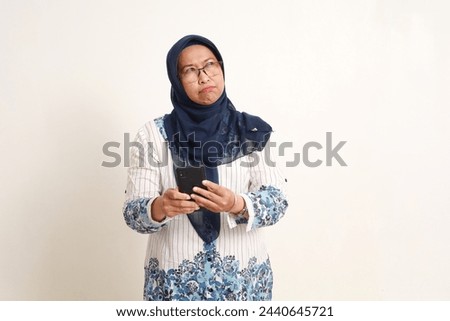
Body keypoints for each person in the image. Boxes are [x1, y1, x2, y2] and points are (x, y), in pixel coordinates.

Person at [123, 35, 288, 301]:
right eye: (190, 70)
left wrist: (237, 203)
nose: (204, 77)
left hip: (243, 285)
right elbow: (133, 213)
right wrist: (161, 207)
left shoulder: (252, 131)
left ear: (221, 68)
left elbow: (277, 202)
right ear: (176, 80)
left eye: (210, 65)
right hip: (173, 285)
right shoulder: (152, 135)